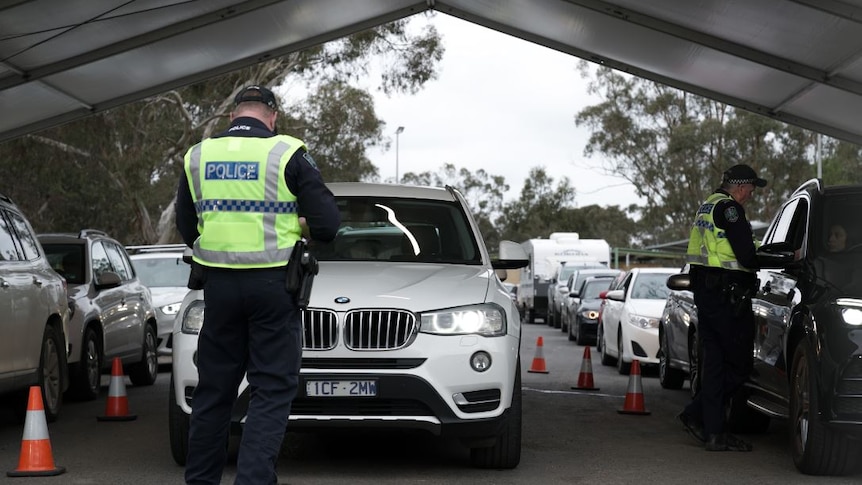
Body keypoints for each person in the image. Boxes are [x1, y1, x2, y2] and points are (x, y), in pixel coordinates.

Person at [175, 85, 340, 484]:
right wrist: (298, 224)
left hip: (219, 289)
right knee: (269, 390)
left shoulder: (198, 156)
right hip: (273, 288)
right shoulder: (287, 152)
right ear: (272, 116)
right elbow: (328, 226)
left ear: (233, 117)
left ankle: (201, 481)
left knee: (214, 392)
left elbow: (186, 226)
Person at [677, 163, 766, 452]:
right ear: (741, 187)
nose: (751, 194)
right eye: (752, 189)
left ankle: (714, 432)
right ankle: (696, 414)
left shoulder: (707, 206)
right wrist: (784, 258)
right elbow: (748, 257)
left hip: (707, 293)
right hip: (728, 296)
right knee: (740, 365)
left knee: (714, 364)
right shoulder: (730, 210)